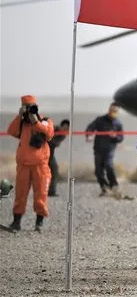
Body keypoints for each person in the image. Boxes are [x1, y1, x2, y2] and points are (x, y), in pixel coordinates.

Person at [6, 95, 55, 232]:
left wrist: (35, 122)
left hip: (40, 166)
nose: (29, 109)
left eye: (31, 106)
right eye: (26, 106)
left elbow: (49, 133)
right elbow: (11, 131)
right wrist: (19, 116)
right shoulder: (22, 123)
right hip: (23, 166)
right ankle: (16, 222)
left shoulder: (45, 121)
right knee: (20, 195)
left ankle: (39, 223)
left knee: (41, 195)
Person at [85, 103, 124, 196]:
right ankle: (104, 188)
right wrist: (89, 135)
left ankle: (114, 185)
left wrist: (115, 136)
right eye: (112, 110)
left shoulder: (118, 124)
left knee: (109, 166)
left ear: (117, 112)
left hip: (109, 150)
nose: (113, 112)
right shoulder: (100, 120)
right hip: (98, 149)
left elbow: (121, 138)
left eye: (115, 111)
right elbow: (90, 128)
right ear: (109, 110)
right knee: (98, 171)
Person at [48, 119, 70, 197]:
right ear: (60, 126)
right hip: (41, 154)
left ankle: (51, 191)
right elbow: (48, 140)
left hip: (50, 154)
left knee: (55, 170)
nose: (65, 130)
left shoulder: (63, 135)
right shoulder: (52, 128)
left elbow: (54, 144)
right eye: (64, 128)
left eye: (67, 129)